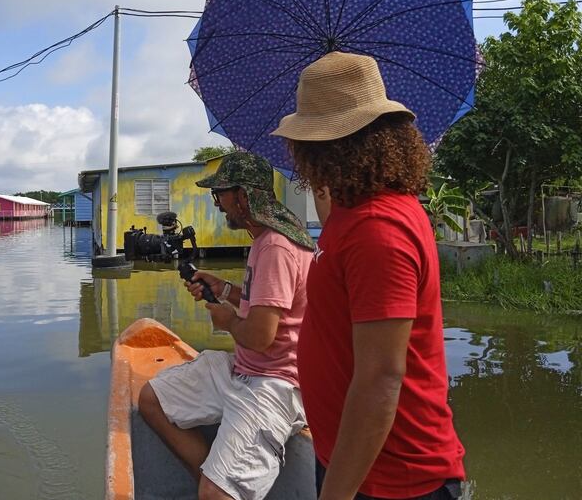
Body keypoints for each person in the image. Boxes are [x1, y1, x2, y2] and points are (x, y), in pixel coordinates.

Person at [272, 51, 465, 500]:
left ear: (326, 150)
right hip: (356, 462)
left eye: (307, 144)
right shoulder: (354, 211)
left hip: (393, 479)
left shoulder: (378, 230)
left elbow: (381, 378)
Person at [138, 151, 315, 500]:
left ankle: (217, 491)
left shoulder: (276, 248)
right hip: (245, 369)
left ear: (244, 195)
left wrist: (227, 320)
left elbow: (262, 337)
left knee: (215, 494)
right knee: (151, 399)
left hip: (275, 384)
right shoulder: (265, 240)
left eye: (220, 194)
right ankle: (211, 480)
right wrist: (225, 290)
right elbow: (269, 309)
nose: (217, 203)